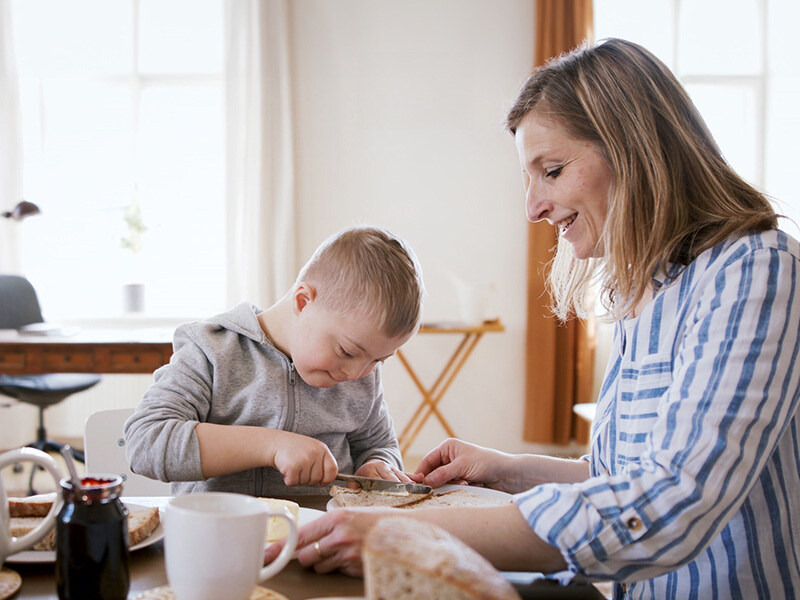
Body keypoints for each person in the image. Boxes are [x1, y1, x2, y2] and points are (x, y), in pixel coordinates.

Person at [264, 38, 800, 598]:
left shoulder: (755, 273)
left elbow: (668, 505)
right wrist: (509, 470)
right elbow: (626, 475)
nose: (533, 207)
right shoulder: (647, 289)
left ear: (635, 149)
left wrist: (405, 528)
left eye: (553, 169)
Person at [124, 225, 425, 496]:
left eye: (379, 360)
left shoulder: (362, 374)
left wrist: (377, 465)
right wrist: (272, 445)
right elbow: (146, 441)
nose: (358, 372)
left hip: (321, 544)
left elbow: (379, 445)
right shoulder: (213, 350)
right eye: (347, 351)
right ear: (303, 302)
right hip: (220, 543)